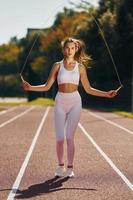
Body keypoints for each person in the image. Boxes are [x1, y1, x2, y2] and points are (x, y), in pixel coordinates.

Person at [22, 37, 117, 178]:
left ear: (76, 49)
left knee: (69, 137)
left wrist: (106, 94)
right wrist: (31, 88)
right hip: (60, 101)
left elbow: (89, 89)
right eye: (67, 48)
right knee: (60, 138)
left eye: (72, 48)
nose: (70, 51)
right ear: (63, 49)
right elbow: (47, 86)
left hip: (75, 102)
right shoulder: (57, 66)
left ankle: (70, 168)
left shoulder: (80, 67)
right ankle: (60, 166)